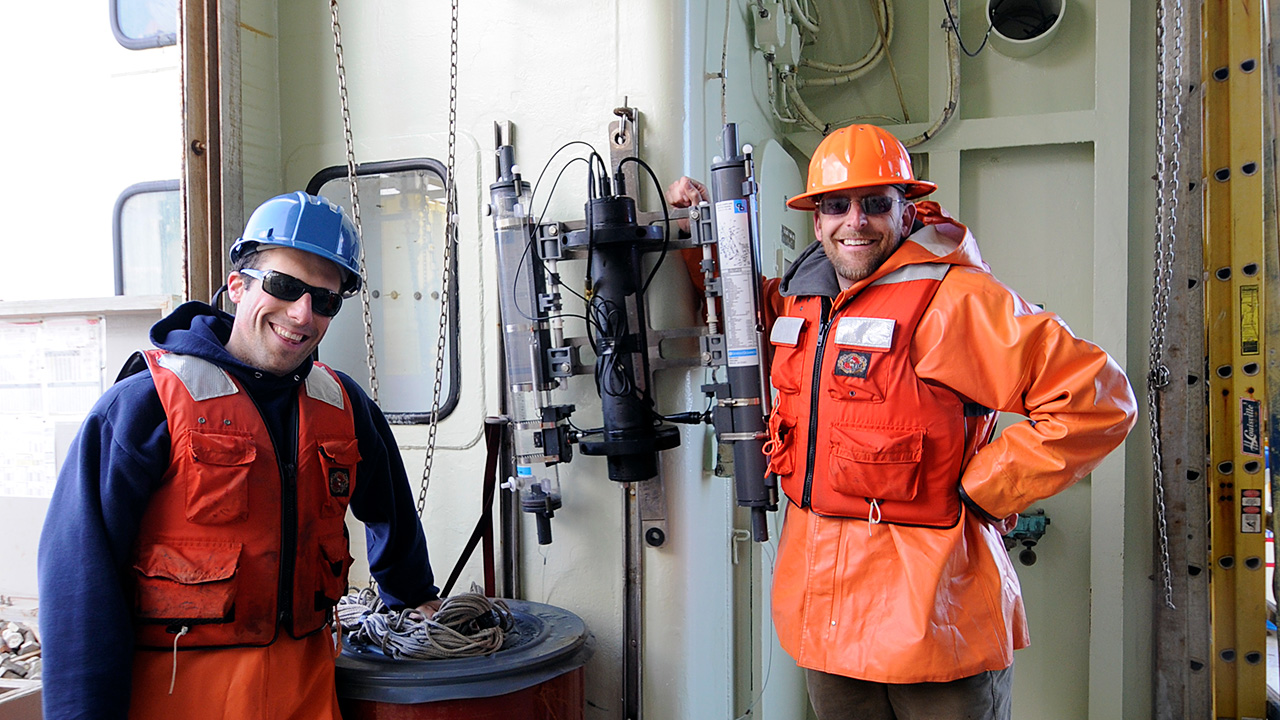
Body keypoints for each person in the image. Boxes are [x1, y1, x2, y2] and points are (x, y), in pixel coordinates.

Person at [667, 124, 1136, 720]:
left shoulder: (955, 301)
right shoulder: (800, 301)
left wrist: (985, 488)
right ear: (816, 220)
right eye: (837, 206)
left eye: (875, 204)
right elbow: (741, 315)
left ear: (906, 210)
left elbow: (1098, 400)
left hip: (935, 620)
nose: (854, 222)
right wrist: (698, 237)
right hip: (828, 621)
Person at [38, 192, 442, 719]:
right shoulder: (144, 406)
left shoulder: (344, 406)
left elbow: (392, 511)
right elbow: (79, 581)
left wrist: (413, 598)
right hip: (180, 697)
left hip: (308, 694)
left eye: (325, 300)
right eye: (284, 286)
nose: (303, 314)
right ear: (237, 286)